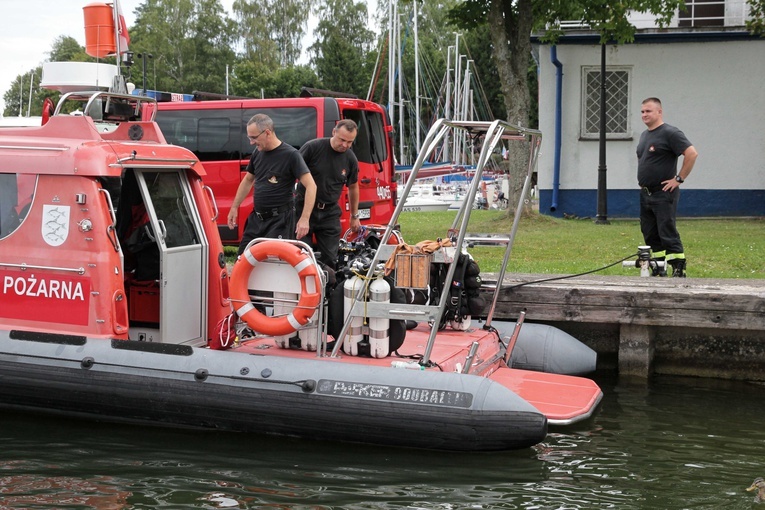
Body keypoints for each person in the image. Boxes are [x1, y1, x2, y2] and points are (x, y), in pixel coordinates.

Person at [227, 114, 317, 255]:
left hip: (280, 221)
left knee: (273, 263)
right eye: (249, 138)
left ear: (267, 132)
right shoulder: (258, 153)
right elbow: (248, 180)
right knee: (243, 258)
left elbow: (311, 185)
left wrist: (304, 219)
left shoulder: (291, 155)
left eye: (254, 138)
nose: (251, 142)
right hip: (257, 219)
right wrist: (234, 207)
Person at [636, 97, 698, 277]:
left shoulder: (670, 133)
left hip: (663, 193)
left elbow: (691, 154)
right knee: (650, 233)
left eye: (648, 111)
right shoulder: (644, 135)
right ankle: (658, 266)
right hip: (646, 193)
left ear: (659, 112)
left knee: (666, 230)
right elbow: (643, 159)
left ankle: (678, 267)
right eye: (642, 112)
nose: (644, 115)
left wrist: (679, 179)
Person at [296, 119, 361, 268]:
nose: (345, 145)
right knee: (302, 255)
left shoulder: (350, 158)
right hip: (304, 209)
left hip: (330, 212)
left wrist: (354, 215)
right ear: (334, 132)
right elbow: (290, 172)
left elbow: (353, 187)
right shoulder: (312, 148)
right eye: (342, 140)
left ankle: (328, 288)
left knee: (331, 259)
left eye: (349, 142)